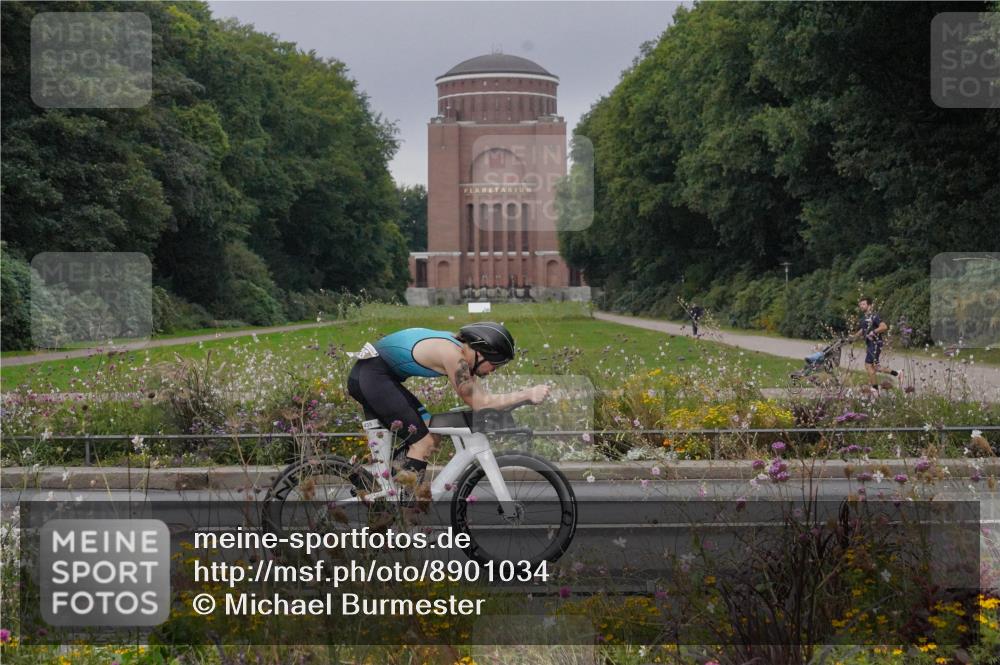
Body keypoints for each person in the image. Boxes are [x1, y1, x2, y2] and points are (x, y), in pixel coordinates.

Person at [346, 322, 550, 491]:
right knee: (423, 443)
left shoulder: (462, 353)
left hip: (378, 375)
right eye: (494, 365)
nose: (493, 371)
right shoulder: (454, 356)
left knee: (432, 436)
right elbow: (479, 403)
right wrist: (527, 394)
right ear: (480, 354)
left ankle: (382, 484)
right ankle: (406, 515)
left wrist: (518, 400)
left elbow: (482, 398)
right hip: (371, 377)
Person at [851, 297, 901, 395]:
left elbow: (884, 327)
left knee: (868, 365)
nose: (861, 306)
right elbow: (863, 330)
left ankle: (874, 389)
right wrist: (853, 337)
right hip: (870, 345)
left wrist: (873, 332)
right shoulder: (865, 318)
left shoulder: (874, 316)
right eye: (860, 304)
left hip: (875, 344)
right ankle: (897, 373)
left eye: (864, 304)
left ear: (869, 305)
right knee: (876, 367)